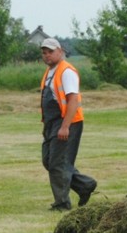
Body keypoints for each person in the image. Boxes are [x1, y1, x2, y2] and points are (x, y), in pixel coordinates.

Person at [39, 38, 97, 211]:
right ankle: (84, 185)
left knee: (58, 164)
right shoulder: (50, 72)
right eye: (44, 52)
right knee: (49, 161)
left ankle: (62, 204)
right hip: (52, 122)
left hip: (67, 122)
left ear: (60, 51)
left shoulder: (66, 72)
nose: (47, 55)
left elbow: (73, 101)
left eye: (50, 51)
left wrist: (65, 126)